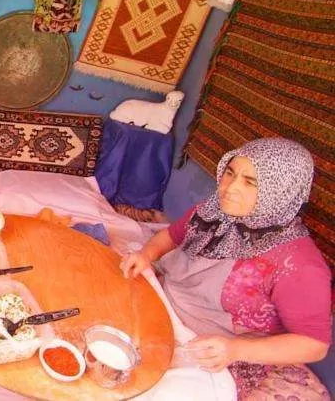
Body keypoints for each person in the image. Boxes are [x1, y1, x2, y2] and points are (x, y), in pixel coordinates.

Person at [121, 137, 331, 399]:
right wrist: (146, 254)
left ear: (281, 191)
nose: (229, 188)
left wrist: (234, 350)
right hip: (165, 304)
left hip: (211, 346)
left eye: (250, 182)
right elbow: (172, 235)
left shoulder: (299, 264)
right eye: (230, 173)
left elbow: (314, 345)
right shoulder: (212, 212)